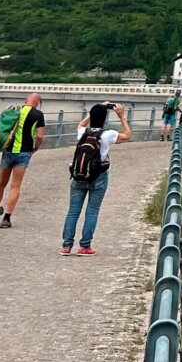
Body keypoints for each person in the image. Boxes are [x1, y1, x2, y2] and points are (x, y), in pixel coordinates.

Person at [63, 102, 130, 256]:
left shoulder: (82, 133)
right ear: (105, 118)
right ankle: (85, 246)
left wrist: (92, 113)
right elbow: (127, 135)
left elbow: (80, 124)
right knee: (92, 211)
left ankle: (67, 246)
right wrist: (122, 117)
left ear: (92, 117)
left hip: (79, 176)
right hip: (98, 176)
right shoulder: (108, 134)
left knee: (73, 211)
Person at [0, 93, 45, 228]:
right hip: (24, 152)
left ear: (26, 100)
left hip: (8, 151)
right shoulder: (38, 115)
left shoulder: (15, 111)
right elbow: (39, 136)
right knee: (15, 185)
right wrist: (36, 148)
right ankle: (7, 218)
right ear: (38, 102)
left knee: (1, 183)